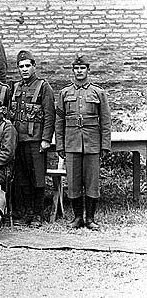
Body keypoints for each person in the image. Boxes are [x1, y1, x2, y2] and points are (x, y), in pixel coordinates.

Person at [55, 54, 111, 230]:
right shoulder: (65, 93)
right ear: (73, 71)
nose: (79, 71)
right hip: (72, 142)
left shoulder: (98, 92)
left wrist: (105, 145)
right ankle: (78, 217)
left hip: (92, 142)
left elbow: (106, 120)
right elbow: (59, 121)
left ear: (88, 70)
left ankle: (90, 219)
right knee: (73, 182)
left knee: (92, 181)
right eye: (76, 68)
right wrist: (60, 145)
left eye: (82, 68)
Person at [8, 50, 55, 227]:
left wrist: (46, 139)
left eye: (28, 66)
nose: (25, 69)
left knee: (37, 178)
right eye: (21, 67)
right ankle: (26, 212)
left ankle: (37, 214)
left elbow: (50, 115)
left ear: (34, 67)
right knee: (22, 178)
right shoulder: (16, 87)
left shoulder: (43, 87)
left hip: (35, 140)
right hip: (18, 140)